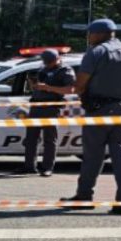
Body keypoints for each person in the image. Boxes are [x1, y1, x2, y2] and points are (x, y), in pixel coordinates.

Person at [54, 19, 121, 215]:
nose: (89, 38)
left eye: (90, 34)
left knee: (93, 156)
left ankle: (84, 196)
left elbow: (80, 85)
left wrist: (83, 96)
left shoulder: (96, 53)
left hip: (98, 111)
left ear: (99, 34)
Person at [12, 48, 75, 176]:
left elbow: (70, 90)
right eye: (45, 62)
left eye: (49, 62)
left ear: (57, 59)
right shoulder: (43, 68)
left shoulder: (65, 71)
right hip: (36, 105)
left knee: (49, 139)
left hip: (52, 107)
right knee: (31, 138)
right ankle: (29, 166)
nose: (47, 64)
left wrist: (47, 88)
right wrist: (34, 84)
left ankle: (47, 168)